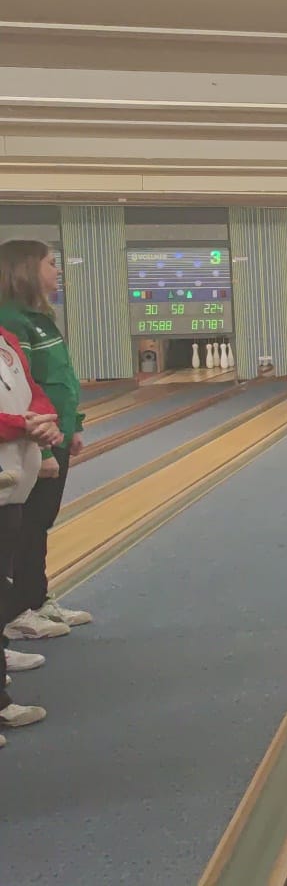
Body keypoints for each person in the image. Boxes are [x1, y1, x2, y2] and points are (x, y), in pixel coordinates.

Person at [0, 239, 92, 642]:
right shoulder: (11, 320)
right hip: (31, 441)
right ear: (26, 269)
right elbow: (20, 389)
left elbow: (57, 379)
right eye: (51, 263)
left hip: (54, 434)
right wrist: (42, 447)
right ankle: (19, 610)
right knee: (26, 525)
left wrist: (74, 425)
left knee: (39, 522)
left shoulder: (39, 319)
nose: (58, 270)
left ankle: (35, 600)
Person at [0, 318, 61, 738]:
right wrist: (24, 425)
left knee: (7, 586)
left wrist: (43, 420)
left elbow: (32, 390)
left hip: (13, 486)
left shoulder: (6, 339)